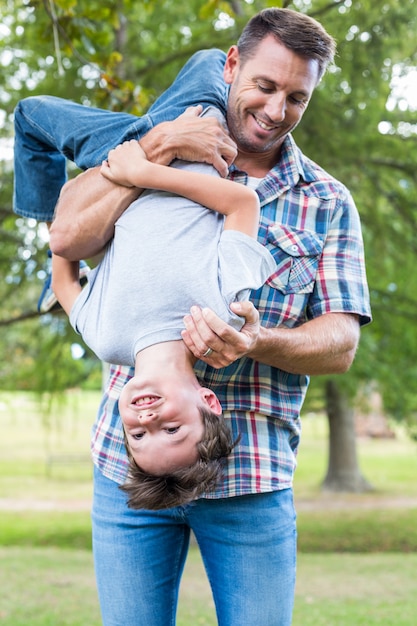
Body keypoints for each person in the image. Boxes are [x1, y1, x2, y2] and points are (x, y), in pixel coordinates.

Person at [14, 8, 372, 626]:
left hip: (251, 476)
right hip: (130, 481)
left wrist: (256, 338)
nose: (276, 109)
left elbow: (340, 343)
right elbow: (65, 236)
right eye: (264, 85)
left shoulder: (326, 201)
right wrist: (155, 151)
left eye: (297, 97)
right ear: (235, 69)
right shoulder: (154, 143)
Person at [51, 106, 275, 510]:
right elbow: (243, 205)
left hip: (117, 158)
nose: (147, 422)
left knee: (31, 120)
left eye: (137, 437)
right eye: (172, 429)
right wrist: (143, 173)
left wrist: (65, 213)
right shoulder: (222, 315)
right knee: (211, 60)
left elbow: (62, 279)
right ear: (208, 402)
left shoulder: (105, 338)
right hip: (196, 123)